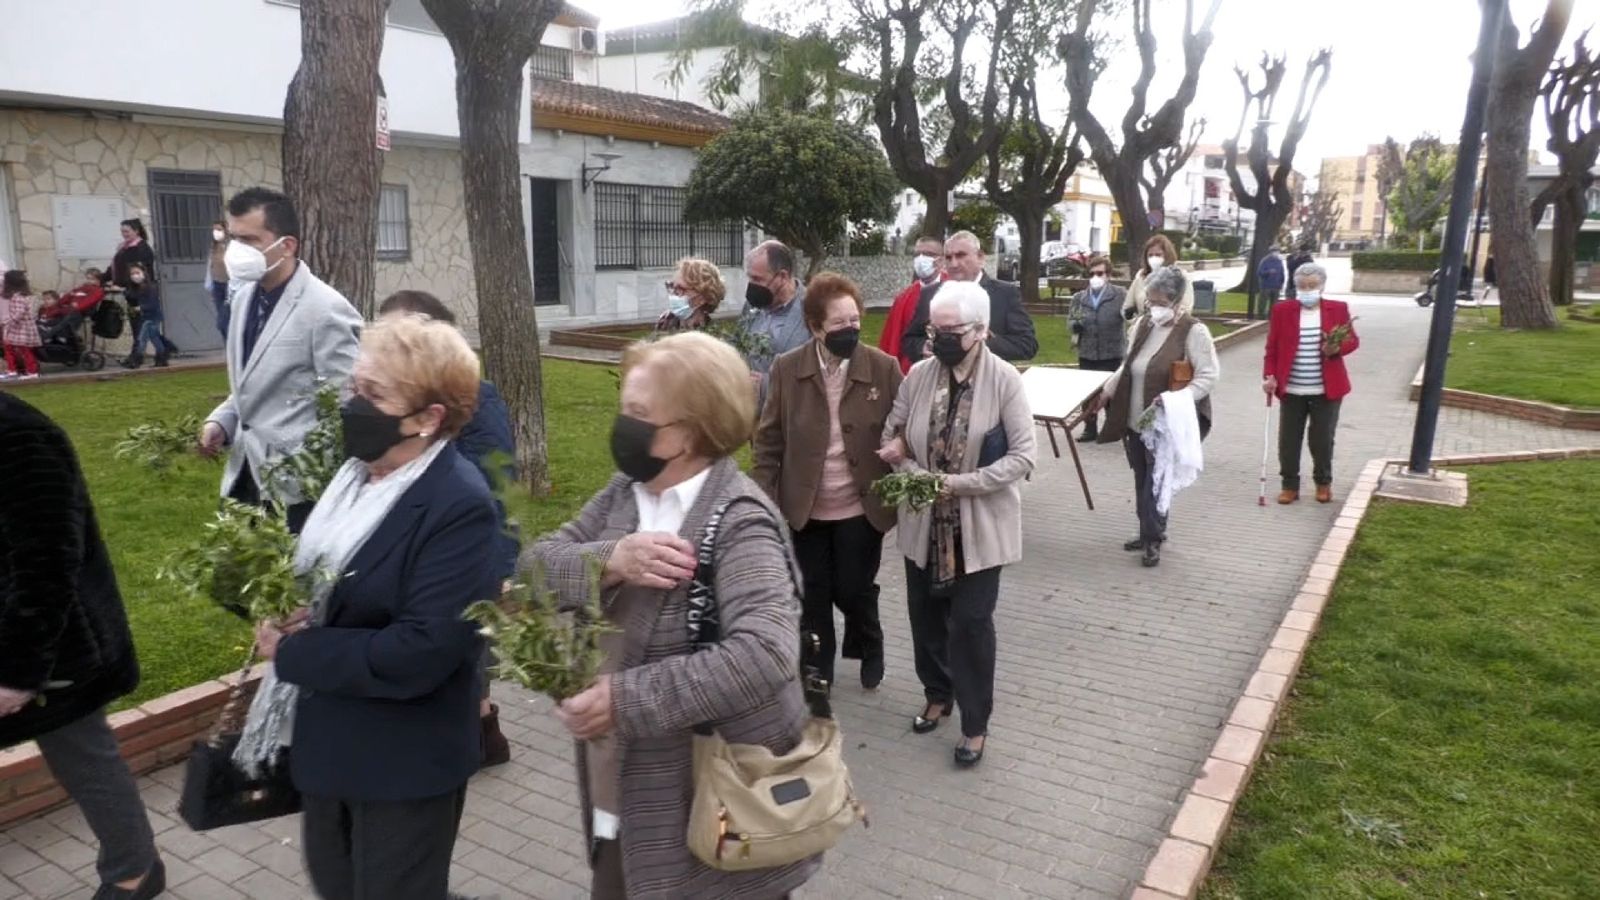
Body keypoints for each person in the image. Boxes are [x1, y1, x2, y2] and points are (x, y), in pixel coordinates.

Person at [530, 332, 818, 899]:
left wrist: (622, 700)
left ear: (689, 432)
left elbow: (766, 652)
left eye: (638, 413)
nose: (622, 425)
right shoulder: (625, 493)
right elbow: (533, 570)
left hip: (714, 821)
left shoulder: (740, 520)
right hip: (624, 797)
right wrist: (609, 559)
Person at [248, 314, 499, 900]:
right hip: (328, 744)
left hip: (402, 763)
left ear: (428, 417)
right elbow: (329, 585)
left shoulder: (458, 506)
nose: (353, 404)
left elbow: (422, 649)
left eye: (374, 394)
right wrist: (279, 605)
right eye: (354, 387)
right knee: (335, 883)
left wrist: (295, 652)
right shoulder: (355, 478)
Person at [0, 392, 167, 900]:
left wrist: (18, 671)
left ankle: (134, 869)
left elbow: (48, 558)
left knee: (83, 755)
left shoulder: (18, 433)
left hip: (49, 644)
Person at [878, 280, 1037, 768]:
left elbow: (1022, 457)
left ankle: (975, 723)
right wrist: (911, 470)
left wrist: (957, 484)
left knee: (970, 624)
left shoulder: (1005, 380)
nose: (940, 340)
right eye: (934, 331)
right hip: (923, 522)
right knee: (925, 616)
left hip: (980, 528)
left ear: (981, 330)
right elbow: (892, 433)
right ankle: (937, 693)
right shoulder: (919, 375)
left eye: (952, 332)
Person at [376, 289, 516, 767]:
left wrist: (497, 563)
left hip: (470, 546)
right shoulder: (406, 403)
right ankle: (475, 734)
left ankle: (482, 737)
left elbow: (495, 480)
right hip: (424, 543)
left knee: (468, 645)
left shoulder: (477, 396)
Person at [753, 272, 902, 692]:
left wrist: (902, 445)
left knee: (853, 588)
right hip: (806, 507)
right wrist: (762, 500)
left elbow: (908, 425)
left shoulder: (883, 367)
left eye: (855, 320)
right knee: (813, 592)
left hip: (861, 504)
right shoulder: (787, 368)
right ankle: (818, 667)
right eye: (839, 323)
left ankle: (869, 642)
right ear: (816, 327)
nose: (850, 329)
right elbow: (769, 440)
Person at [199, 187, 363, 535]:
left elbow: (346, 405)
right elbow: (252, 380)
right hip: (244, 474)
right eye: (233, 238)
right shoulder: (243, 298)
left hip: (299, 489)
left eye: (249, 240)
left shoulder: (326, 310)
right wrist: (222, 422)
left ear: (287, 245)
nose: (236, 250)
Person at [1091, 266, 1218, 568]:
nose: (1154, 307)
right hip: (1136, 417)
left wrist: (1176, 399)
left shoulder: (1193, 331)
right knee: (1141, 474)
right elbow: (1128, 365)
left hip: (1166, 420)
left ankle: (1153, 538)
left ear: (1176, 301)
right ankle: (1147, 529)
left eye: (1161, 302)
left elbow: (1208, 375)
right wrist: (1107, 390)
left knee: (1157, 479)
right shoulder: (1143, 324)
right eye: (1151, 300)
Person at [1262, 262, 1359, 505]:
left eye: (1312, 285)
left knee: (1322, 439)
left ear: (1322, 286)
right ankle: (1289, 485)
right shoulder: (1282, 310)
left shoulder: (1338, 309)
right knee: (1288, 440)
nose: (1307, 290)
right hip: (1292, 389)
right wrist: (1269, 375)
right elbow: (1272, 348)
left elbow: (1352, 340)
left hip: (1326, 389)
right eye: (1302, 286)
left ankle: (1323, 483)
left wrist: (1337, 347)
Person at [899, 231, 1039, 364]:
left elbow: (1027, 345)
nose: (953, 264)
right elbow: (910, 339)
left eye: (961, 255)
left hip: (987, 377)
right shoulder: (930, 293)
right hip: (939, 377)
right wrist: (923, 348)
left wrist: (979, 342)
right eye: (948, 257)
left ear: (980, 257)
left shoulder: (1005, 294)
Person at [741, 240, 812, 408]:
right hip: (752, 414)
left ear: (782, 277)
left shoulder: (812, 310)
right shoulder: (752, 304)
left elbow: (818, 375)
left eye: (757, 278)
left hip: (791, 415)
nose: (752, 285)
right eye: (750, 277)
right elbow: (741, 344)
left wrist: (765, 385)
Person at [1067, 255, 1127, 442]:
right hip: (1088, 352)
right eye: (1091, 274)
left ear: (1108, 275)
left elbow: (1129, 315)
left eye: (1099, 273)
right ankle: (1089, 428)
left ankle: (1112, 428)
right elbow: (1070, 320)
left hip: (1112, 351)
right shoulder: (1079, 298)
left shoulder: (1119, 294)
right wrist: (1075, 325)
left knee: (1111, 392)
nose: (1095, 277)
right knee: (1088, 393)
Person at [102, 218, 178, 359]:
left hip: (141, 292)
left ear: (136, 231)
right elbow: (115, 268)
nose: (124, 234)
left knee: (140, 326)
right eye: (122, 231)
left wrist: (121, 284)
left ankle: (136, 357)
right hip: (130, 291)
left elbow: (137, 272)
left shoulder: (141, 249)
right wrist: (102, 279)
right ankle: (166, 349)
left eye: (127, 231)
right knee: (144, 326)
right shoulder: (124, 248)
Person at [880, 235, 946, 372]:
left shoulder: (954, 289)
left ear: (941, 260)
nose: (921, 259)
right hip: (910, 369)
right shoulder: (903, 299)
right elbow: (893, 339)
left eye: (928, 254)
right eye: (917, 254)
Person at [1122, 234, 1194, 320]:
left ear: (1167, 256)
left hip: (1172, 326)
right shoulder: (1140, 278)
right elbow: (1126, 309)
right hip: (1144, 326)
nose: (1154, 258)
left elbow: (1186, 308)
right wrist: (1138, 322)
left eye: (1158, 255)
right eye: (1150, 255)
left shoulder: (1181, 278)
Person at [654, 257, 725, 335]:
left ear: (702, 299)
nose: (674, 293)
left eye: (680, 288)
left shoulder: (713, 338)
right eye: (671, 286)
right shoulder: (665, 324)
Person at [119, 264, 167, 369]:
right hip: (140, 316)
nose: (135, 276)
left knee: (142, 338)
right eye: (132, 274)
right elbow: (131, 296)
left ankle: (136, 360)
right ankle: (161, 358)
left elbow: (152, 304)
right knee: (152, 338)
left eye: (137, 273)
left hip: (151, 316)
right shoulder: (133, 288)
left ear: (144, 273)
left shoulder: (151, 287)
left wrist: (141, 307)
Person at [2, 270, 42, 381]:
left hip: (21, 328)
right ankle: (12, 370)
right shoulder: (19, 296)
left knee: (25, 350)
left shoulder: (17, 297)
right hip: (19, 327)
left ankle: (32, 372)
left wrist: (8, 321)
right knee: (9, 347)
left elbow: (19, 313)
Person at [203, 219, 235, 339]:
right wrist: (209, 284)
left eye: (219, 229)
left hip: (229, 285)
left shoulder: (231, 246)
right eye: (214, 230)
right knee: (222, 320)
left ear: (225, 230)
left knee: (223, 321)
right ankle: (227, 344)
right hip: (217, 284)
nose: (216, 232)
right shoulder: (214, 246)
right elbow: (210, 265)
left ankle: (231, 343)